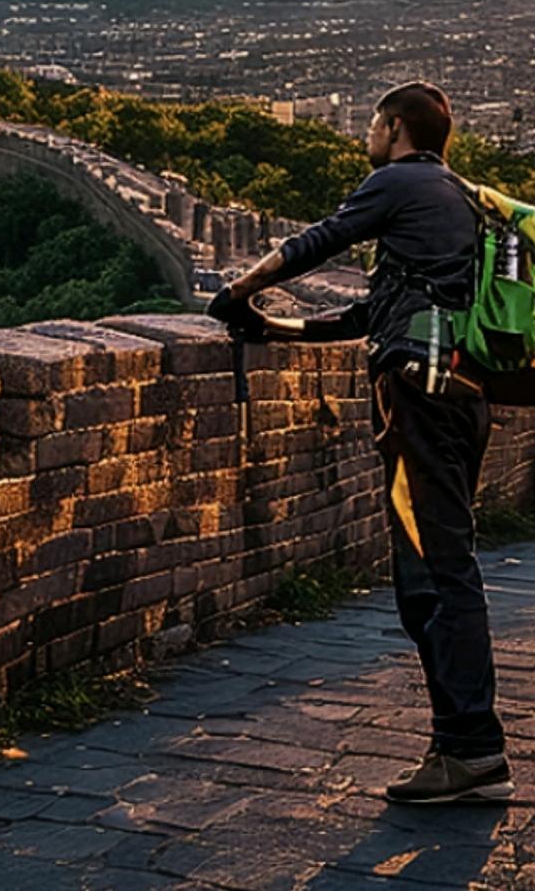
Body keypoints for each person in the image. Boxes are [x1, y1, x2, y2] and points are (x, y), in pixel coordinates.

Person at [207, 81, 512, 803]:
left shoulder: (398, 181)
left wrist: (236, 292)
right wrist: (273, 327)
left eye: (373, 125)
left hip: (421, 396)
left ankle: (472, 750)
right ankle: (462, 746)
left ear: (396, 127)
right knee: (438, 566)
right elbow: (365, 314)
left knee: (436, 574)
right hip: (462, 395)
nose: (366, 137)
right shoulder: (458, 200)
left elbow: (316, 242)